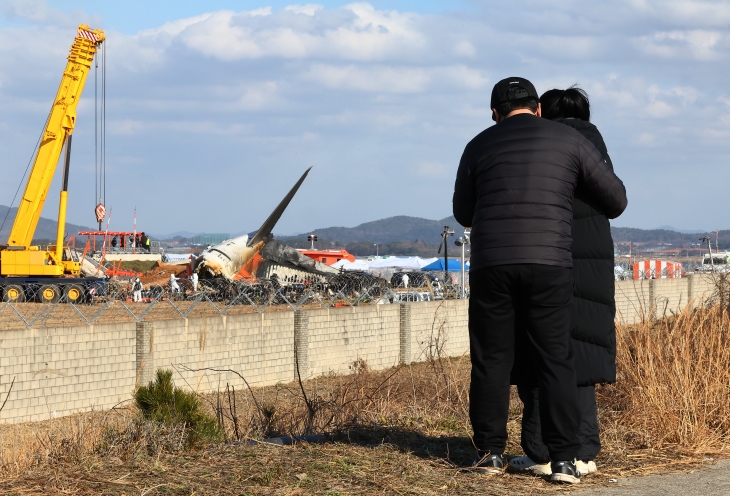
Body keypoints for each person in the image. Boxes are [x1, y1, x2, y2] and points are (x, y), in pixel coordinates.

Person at [453, 77, 627, 484]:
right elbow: (616, 200)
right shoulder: (567, 140)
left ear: (495, 113)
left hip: (492, 265)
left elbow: (464, 212)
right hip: (549, 263)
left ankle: (489, 453)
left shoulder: (478, 144)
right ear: (538, 108)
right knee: (556, 358)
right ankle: (565, 460)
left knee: (491, 359)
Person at [508, 86, 617, 477]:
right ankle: (584, 451)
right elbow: (616, 202)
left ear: (542, 115)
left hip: (545, 257)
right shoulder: (597, 151)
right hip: (593, 265)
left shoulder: (546, 149)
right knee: (581, 357)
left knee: (540, 353)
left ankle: (540, 451)